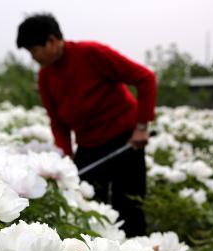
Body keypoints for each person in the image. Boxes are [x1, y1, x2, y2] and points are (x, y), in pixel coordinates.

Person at [16, 13, 157, 237]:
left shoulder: (91, 53)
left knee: (129, 208)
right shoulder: (45, 77)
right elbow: (58, 122)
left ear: (52, 41)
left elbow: (145, 78)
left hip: (126, 141)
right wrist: (66, 156)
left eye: (34, 51)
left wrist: (141, 127)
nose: (33, 57)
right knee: (87, 208)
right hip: (89, 147)